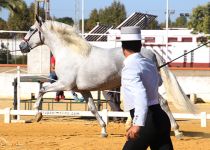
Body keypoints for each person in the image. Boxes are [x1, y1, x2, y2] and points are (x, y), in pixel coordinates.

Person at [120, 26, 173, 150]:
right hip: (160, 117)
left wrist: (137, 124)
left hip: (147, 121)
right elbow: (158, 82)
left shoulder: (129, 67)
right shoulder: (148, 63)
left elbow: (140, 94)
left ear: (123, 49)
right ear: (140, 46)